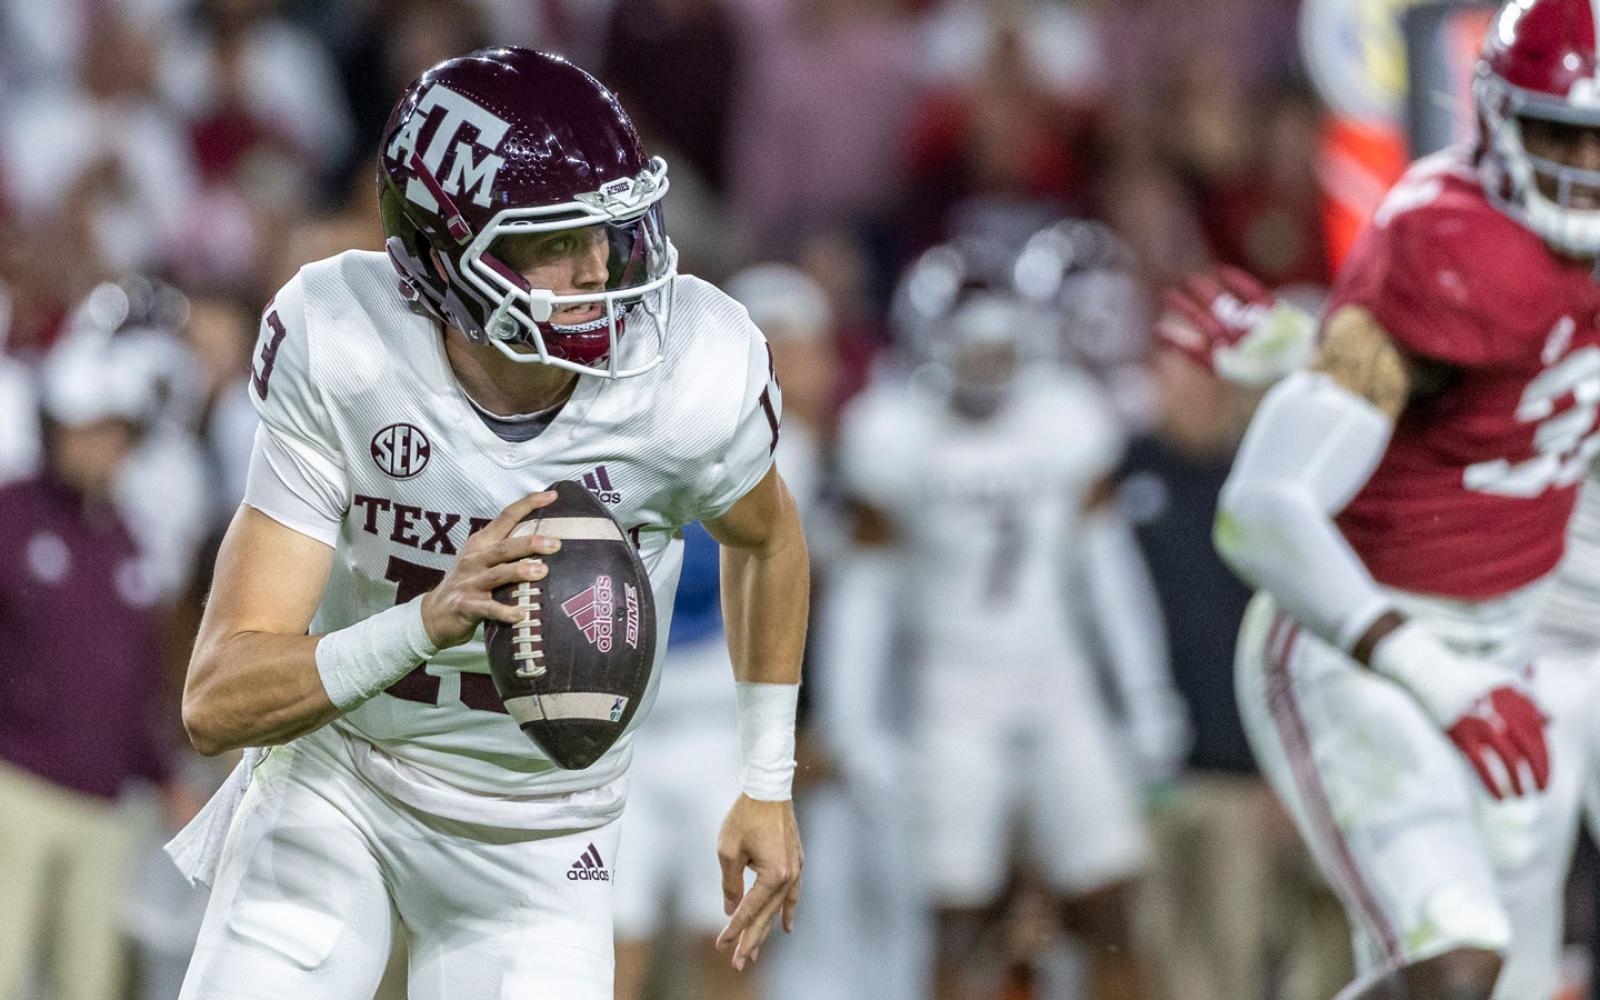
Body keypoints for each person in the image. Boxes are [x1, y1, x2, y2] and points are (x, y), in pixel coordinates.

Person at [168, 48, 808, 999]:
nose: (600, 267)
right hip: (344, 782)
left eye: (610, 227)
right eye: (556, 240)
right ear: (444, 256)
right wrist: (426, 620)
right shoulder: (346, 347)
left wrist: (767, 775)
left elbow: (770, 539)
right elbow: (216, 699)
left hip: (547, 833)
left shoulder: (686, 374)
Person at [1208, 3, 1600, 995]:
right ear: (1496, 116)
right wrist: (1427, 670)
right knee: (1452, 961)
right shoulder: (1448, 242)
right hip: (1364, 645)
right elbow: (1259, 508)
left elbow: (1511, 411)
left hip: (1513, 654)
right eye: (1560, 133)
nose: (1583, 166)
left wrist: (1301, 347)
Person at [837, 238, 1178, 1000]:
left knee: (1112, 908)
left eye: (1001, 348)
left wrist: (1147, 694)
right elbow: (866, 597)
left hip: (1057, 683)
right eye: (974, 348)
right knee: (956, 920)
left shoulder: (1064, 419)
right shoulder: (894, 433)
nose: (989, 367)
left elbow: (1110, 576)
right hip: (952, 694)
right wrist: (859, 725)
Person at [0, 328, 176, 1000]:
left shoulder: (125, 537)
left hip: (104, 803)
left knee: (89, 983)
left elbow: (132, 675)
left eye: (120, 435)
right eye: (97, 431)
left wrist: (161, 773)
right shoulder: (11, 511)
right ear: (60, 426)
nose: (110, 450)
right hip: (15, 783)